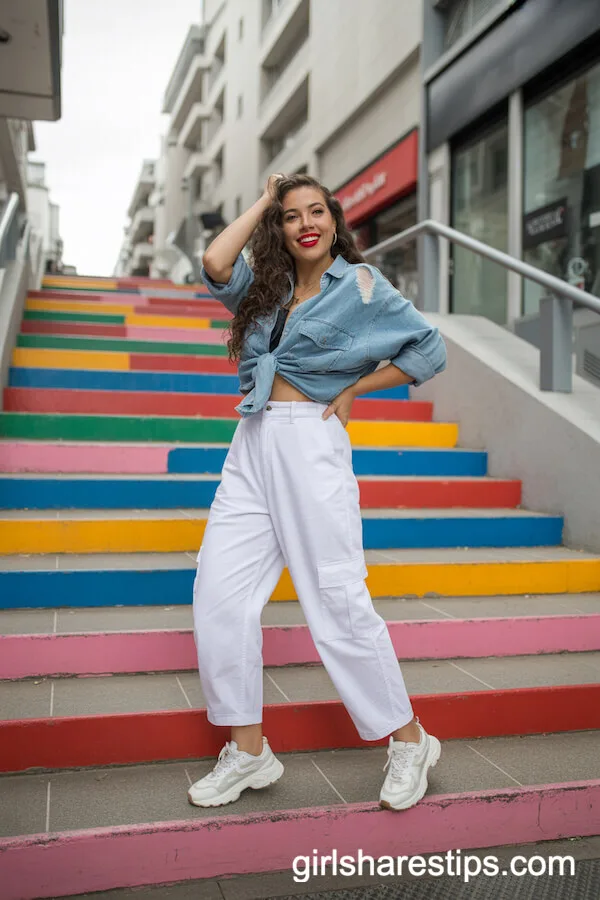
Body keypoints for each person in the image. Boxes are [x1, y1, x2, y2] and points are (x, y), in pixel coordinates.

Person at [188, 173, 447, 812]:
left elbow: (429, 349)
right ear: (278, 226)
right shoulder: (267, 290)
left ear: (333, 221)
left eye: (316, 212)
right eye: (290, 215)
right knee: (218, 598)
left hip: (311, 444)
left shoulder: (361, 287)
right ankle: (248, 750)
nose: (305, 223)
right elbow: (215, 262)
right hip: (251, 445)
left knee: (336, 600)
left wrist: (358, 388)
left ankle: (409, 739)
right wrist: (264, 199)